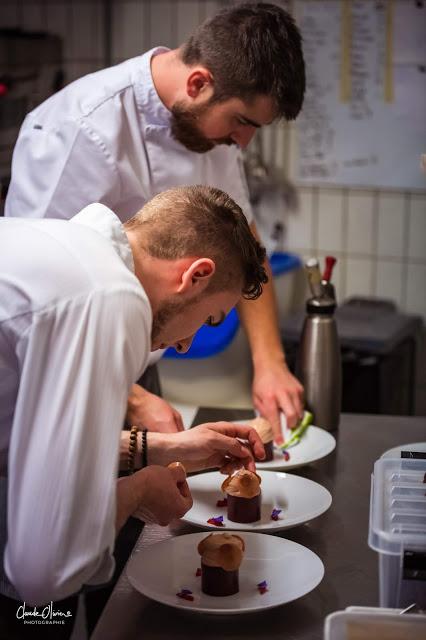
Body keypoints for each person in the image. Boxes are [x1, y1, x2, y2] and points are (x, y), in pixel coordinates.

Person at [5, 2, 306, 444]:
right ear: (199, 82)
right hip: (54, 377)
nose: (243, 141)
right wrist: (129, 398)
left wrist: (271, 362)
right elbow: (34, 303)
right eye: (242, 121)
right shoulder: (79, 129)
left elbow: (247, 245)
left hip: (137, 365)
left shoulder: (213, 129)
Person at [0, 186, 266, 635]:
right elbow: (44, 571)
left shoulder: (60, 251)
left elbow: (15, 444)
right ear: (196, 275)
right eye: (210, 318)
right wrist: (139, 494)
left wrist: (158, 449)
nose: (185, 344)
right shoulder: (107, 296)